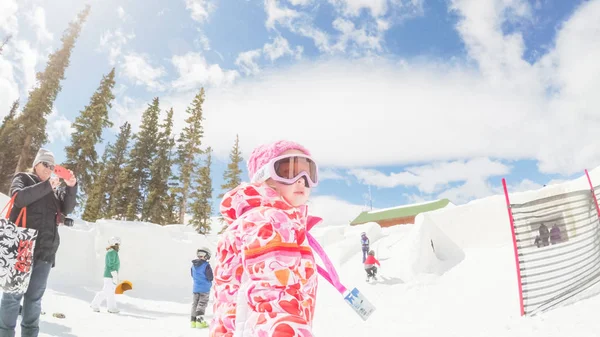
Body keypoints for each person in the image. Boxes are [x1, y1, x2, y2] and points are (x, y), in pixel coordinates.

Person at [210, 140, 321, 337]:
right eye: (289, 170)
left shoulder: (256, 220)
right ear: (264, 177)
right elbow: (274, 296)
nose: (301, 180)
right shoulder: (269, 221)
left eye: (308, 173)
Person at [0, 148, 77, 337]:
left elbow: (67, 207)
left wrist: (71, 186)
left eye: (52, 166)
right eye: (46, 164)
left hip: (45, 252)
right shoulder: (24, 178)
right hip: (22, 248)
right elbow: (19, 199)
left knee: (34, 300)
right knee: (12, 296)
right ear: (36, 164)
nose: (49, 169)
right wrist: (47, 186)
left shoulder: (54, 190)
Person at [90, 237, 121, 314]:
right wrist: (114, 275)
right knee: (107, 291)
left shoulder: (113, 252)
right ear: (114, 244)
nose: (119, 246)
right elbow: (111, 264)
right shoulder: (112, 252)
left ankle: (112, 307)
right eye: (118, 244)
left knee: (110, 292)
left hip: (111, 274)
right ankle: (95, 304)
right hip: (110, 275)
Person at [191, 247, 213, 329]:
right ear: (207, 256)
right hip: (204, 289)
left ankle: (193, 322)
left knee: (195, 304)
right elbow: (210, 277)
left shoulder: (193, 265)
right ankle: (200, 321)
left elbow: (192, 275)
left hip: (196, 288)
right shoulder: (206, 265)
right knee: (202, 304)